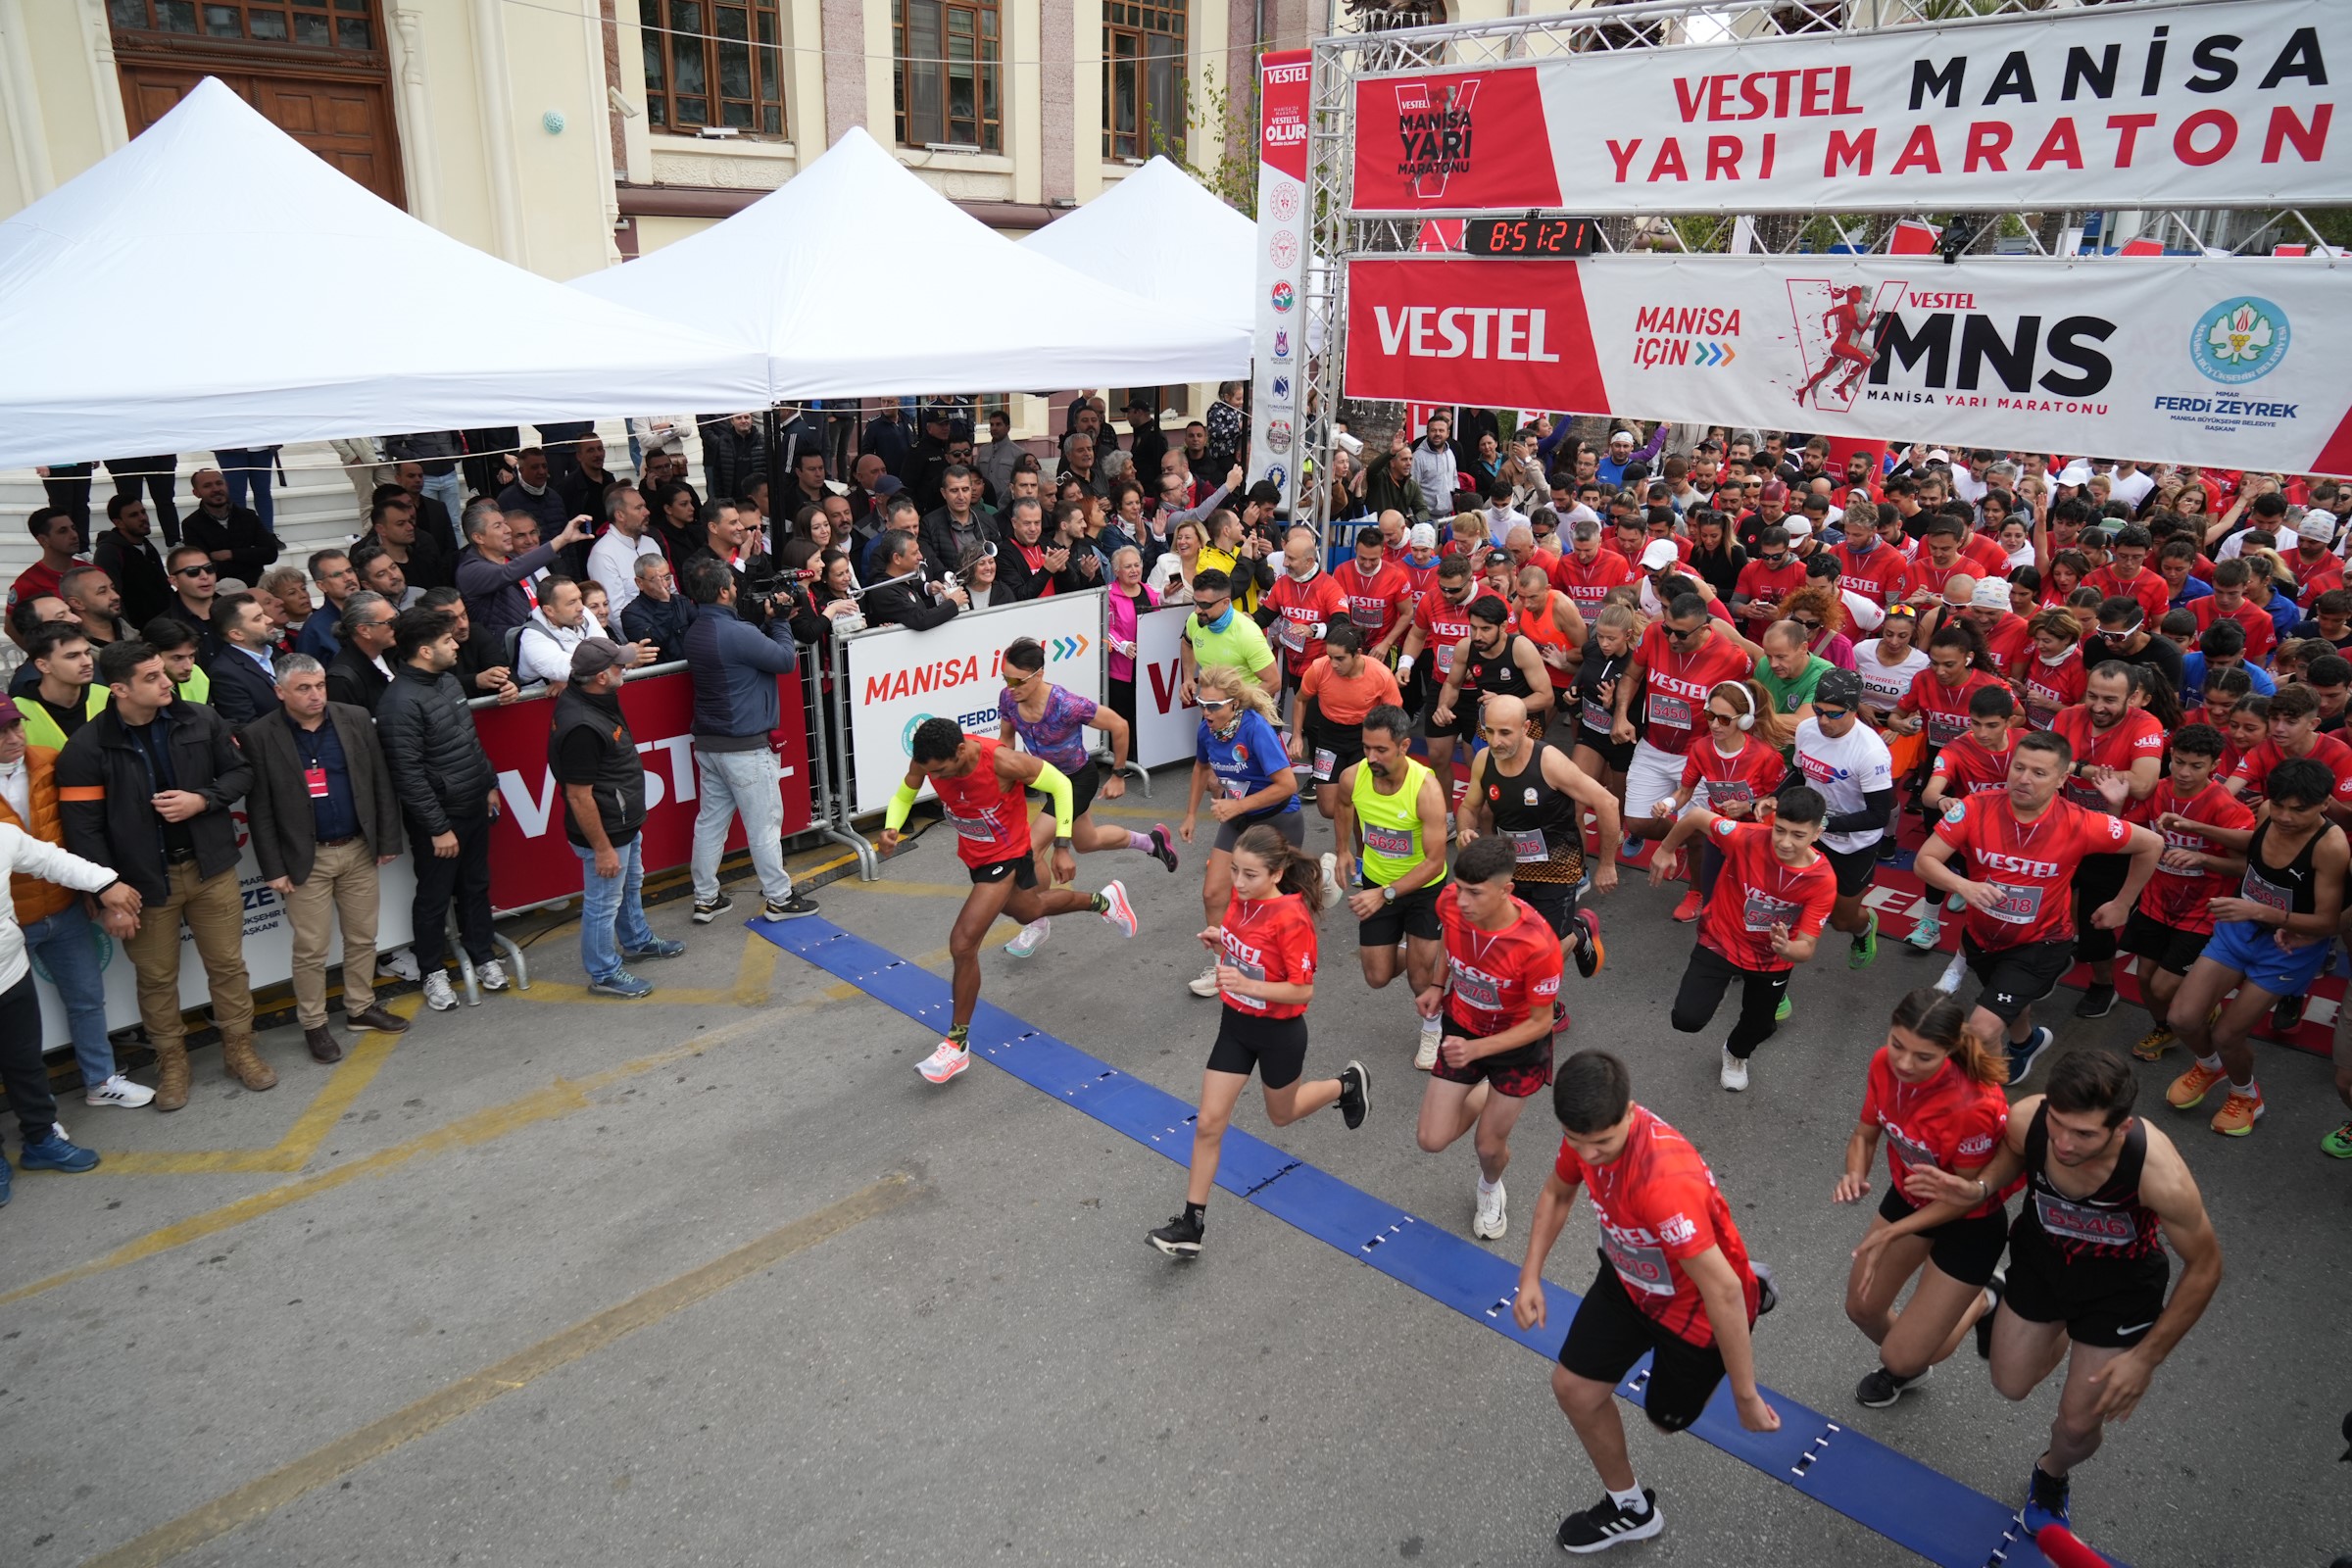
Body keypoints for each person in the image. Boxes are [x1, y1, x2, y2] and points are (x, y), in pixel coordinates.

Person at [1859, 1049, 2220, 1536]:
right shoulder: (2031, 1119)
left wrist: (2145, 1359)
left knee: (2076, 1425)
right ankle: (2000, 1300)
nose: (2065, 1144)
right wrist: (1982, 1186)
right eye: (2059, 1124)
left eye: (2084, 1134)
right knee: (2010, 1384)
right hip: (2042, 1264)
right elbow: (2011, 1154)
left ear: (2121, 1127)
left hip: (2119, 1290)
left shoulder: (2159, 1175)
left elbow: (2205, 1267)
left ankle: (2051, 1474)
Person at [1514, 1049, 1776, 1553]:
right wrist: (1530, 1277)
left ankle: (1753, 1290)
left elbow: (1717, 1291)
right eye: (1577, 1143)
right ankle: (1631, 1509)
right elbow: (1556, 1193)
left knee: (1663, 1420)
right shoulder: (1589, 1131)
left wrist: (1745, 1396)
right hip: (1629, 1278)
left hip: (1695, 1311)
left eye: (1603, 1144)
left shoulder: (1662, 1183)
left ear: (1630, 1113)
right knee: (1573, 1389)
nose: (1589, 1156)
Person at [58, 640, 267, 1106]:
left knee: (229, 966)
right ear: (119, 690)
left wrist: (202, 799)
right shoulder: (87, 748)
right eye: (151, 678)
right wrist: (109, 888)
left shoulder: (201, 718)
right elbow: (83, 831)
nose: (166, 682)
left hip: (210, 869)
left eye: (163, 673)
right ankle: (173, 1064)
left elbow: (241, 774)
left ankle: (240, 1050)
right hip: (142, 887)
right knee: (155, 981)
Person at [1146, 824, 1369, 1258]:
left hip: (1278, 1033)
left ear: (1277, 873)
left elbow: (1302, 991)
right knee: (1209, 1123)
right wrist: (1222, 940)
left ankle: (1345, 1084)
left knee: (1282, 1115)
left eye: (1250, 874)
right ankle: (1191, 1225)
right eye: (1234, 871)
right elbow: (1245, 950)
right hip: (1236, 1026)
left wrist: (1245, 980)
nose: (1239, 882)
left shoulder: (1292, 917)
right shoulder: (1239, 904)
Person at [880, 718, 1139, 1085]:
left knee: (963, 942)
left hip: (1006, 857)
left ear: (960, 752)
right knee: (1029, 911)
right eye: (930, 771)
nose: (938, 778)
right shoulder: (927, 760)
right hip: (976, 857)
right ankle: (1104, 901)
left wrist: (1062, 847)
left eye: (940, 771)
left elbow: (1063, 787)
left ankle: (956, 1047)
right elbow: (906, 793)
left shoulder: (1003, 762)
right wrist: (893, 825)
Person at [1913, 730, 2161, 1084]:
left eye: (2039, 773)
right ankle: (2025, 1042)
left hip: (2041, 941)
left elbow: (2152, 843)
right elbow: (1925, 861)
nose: (2024, 779)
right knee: (2009, 1004)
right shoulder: (1973, 806)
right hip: (1983, 935)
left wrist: (2123, 903)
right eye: (2018, 768)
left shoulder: (2080, 822)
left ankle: (1987, 1108)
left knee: (1982, 1029)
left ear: (2062, 780)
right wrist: (1963, 885)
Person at [1835, 990, 2011, 1408]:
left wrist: (1893, 1231)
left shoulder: (1974, 1105)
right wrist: (1855, 1173)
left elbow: (1962, 1197)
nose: (1904, 1064)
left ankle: (1987, 1298)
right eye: (1898, 1045)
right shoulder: (1883, 1062)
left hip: (1968, 1220)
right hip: (1912, 1196)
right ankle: (1912, 1348)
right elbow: (1865, 1134)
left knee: (1900, 1357)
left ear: (1950, 1050)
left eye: (1923, 1057)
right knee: (1861, 1307)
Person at [2161, 759, 2348, 1137]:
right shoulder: (2267, 811)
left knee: (2228, 1034)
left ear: (2324, 804)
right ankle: (2209, 1066)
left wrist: (2264, 910)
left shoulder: (2330, 845)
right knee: (2181, 1017)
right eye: (2278, 805)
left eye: (2299, 810)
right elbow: (2256, 847)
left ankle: (2245, 1094)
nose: (2285, 816)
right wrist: (2197, 830)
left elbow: (2328, 924)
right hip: (2242, 926)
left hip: (2289, 945)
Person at [241, 653, 410, 1062]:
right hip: (305, 859)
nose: (316, 695)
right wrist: (274, 869)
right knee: (311, 948)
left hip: (356, 848)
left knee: (362, 936)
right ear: (280, 692)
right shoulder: (260, 735)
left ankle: (360, 1007)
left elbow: (379, 781)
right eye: (303, 688)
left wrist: (387, 838)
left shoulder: (353, 717)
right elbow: (259, 808)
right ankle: (314, 1024)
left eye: (319, 685)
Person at [1411, 834, 1569, 1241]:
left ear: (1506, 891)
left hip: (1516, 1047)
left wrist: (1478, 1050)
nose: (1462, 901)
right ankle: (1486, 1088)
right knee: (1431, 1139)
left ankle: (1490, 1188)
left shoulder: (1537, 944)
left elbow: (1540, 1023)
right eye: (1460, 888)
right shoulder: (1451, 901)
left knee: (1488, 1145)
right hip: (1463, 1026)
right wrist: (1436, 984)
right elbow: (1450, 936)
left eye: (1475, 893)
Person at [0, 698, 152, 1108]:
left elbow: (76, 834)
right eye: (2, 732)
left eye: (17, 726)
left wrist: (92, 892)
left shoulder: (48, 761)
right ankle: (32, 1109)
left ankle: (100, 1081)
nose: (15, 737)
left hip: (64, 908)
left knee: (87, 999)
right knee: (13, 1024)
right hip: (10, 922)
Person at [994, 636, 1174, 957]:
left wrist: (1118, 775)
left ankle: (1037, 922)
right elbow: (1006, 741)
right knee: (1088, 841)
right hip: (1048, 781)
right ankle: (1151, 842)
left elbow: (1119, 726)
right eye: (1004, 678)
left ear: (1038, 675)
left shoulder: (1066, 703)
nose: (1010, 686)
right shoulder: (1009, 700)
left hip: (1077, 780)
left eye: (1015, 680)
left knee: (1031, 849)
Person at [1652, 788, 1837, 1090]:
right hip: (1721, 940)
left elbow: (1806, 948)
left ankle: (1736, 1053)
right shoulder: (1745, 836)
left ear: (1816, 833)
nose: (1786, 842)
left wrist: (1788, 948)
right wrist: (1666, 848)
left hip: (1771, 958)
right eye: (1780, 830)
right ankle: (1720, 985)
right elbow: (1697, 816)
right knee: (1686, 1019)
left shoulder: (1822, 880)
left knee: (1762, 1025)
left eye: (1798, 835)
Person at [0, 811, 142, 1195]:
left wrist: (105, 882)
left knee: (25, 1064)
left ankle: (41, 1140)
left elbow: (50, 859)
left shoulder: (3, 835)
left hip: (9, 973)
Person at [672, 555, 817, 925]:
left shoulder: (697, 630)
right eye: (734, 586)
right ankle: (779, 898)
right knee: (765, 825)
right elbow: (785, 660)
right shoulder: (736, 633)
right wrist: (782, 621)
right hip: (745, 746)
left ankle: (705, 899)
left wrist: (769, 622)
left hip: (710, 743)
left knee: (710, 823)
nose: (738, 590)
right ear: (723, 591)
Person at [377, 607, 508, 1012]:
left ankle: (483, 955)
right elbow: (408, 774)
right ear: (424, 651)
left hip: (473, 804)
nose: (456, 644)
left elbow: (469, 742)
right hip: (440, 821)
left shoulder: (449, 681)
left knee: (476, 885)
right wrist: (437, 828)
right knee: (434, 897)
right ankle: (433, 971)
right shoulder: (399, 702)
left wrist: (489, 784)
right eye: (447, 641)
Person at [551, 638, 687, 1000]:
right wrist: (603, 849)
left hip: (621, 823)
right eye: (618, 666)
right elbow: (578, 796)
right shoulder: (581, 724)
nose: (624, 669)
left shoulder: (595, 697)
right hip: (606, 832)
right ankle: (604, 973)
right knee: (602, 902)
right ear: (598, 677)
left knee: (629, 886)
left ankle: (638, 941)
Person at [1614, 592, 1761, 918]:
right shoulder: (1654, 634)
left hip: (1698, 756)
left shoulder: (1731, 656)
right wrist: (1621, 714)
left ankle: (1697, 890)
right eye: (1669, 629)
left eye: (1681, 633)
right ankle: (1692, 841)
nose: (1672, 638)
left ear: (1705, 628)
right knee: (1637, 822)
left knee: (1697, 833)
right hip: (1653, 746)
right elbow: (1631, 676)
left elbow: (1763, 679)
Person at [1458, 692, 1620, 982]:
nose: (1496, 741)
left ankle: (1576, 938)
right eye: (1490, 731)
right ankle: (1572, 939)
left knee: (1545, 955)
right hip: (1511, 868)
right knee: (1512, 943)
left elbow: (1607, 803)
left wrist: (1606, 864)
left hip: (1557, 869)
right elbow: (1469, 806)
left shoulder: (1549, 762)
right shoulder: (1484, 760)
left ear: (1525, 728)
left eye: (1505, 733)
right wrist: (1464, 830)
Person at [2118, 723, 2256, 1063]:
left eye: (2196, 765)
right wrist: (2113, 806)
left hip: (2202, 912)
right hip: (2155, 901)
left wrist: (2202, 857)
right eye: (2178, 761)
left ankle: (2200, 1010)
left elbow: (2246, 868)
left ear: (2214, 765)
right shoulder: (2157, 792)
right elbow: (2127, 836)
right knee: (2146, 978)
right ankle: (2164, 1028)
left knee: (2165, 986)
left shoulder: (2228, 808)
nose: (2183, 772)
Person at [1330, 706, 1453, 1068]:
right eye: (1367, 748)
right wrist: (1343, 851)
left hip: (1423, 889)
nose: (1371, 757)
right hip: (1377, 882)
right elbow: (1341, 806)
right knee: (1377, 976)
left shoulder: (1425, 788)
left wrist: (1384, 894)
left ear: (1403, 746)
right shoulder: (1354, 777)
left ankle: (1433, 1028)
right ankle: (1425, 952)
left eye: (1381, 750)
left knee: (1419, 978)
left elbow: (1434, 860)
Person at [2050, 662, 2170, 1017]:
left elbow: (2144, 783)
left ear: (2132, 698)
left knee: (2097, 918)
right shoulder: (2068, 717)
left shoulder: (2146, 724)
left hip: (2115, 833)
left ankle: (2103, 984)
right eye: (2092, 696)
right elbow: (2046, 759)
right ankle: (2053, 956)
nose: (2099, 707)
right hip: (2067, 826)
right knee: (2048, 899)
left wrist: (2076, 767)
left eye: (2110, 700)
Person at [1178, 668, 1305, 996]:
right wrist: (1191, 814)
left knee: (1280, 905)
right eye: (1202, 704)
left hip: (1278, 819)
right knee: (1213, 893)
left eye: (1214, 706)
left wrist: (1237, 805)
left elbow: (1288, 785)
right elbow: (1200, 768)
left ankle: (1321, 878)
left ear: (1233, 704)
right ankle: (1224, 968)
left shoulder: (1255, 729)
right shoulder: (1207, 730)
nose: (1206, 712)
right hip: (1239, 820)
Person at [1789, 668, 1896, 967]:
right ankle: (1766, 970)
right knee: (1788, 901)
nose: (1823, 721)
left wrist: (1825, 824)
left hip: (1853, 846)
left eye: (1834, 715)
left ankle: (1863, 927)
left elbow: (1878, 815)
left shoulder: (1870, 751)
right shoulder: (1807, 729)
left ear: (1853, 709)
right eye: (1819, 710)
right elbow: (1799, 773)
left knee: (1840, 920)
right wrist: (1774, 797)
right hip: (1812, 835)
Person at [1288, 620, 1401, 867]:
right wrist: (1297, 735)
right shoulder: (1319, 669)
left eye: (1340, 658)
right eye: (1330, 657)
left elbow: (1395, 718)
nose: (1334, 664)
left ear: (1358, 654)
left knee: (1358, 802)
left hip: (1364, 739)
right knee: (1329, 808)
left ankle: (1359, 856)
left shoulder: (1380, 674)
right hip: (1329, 737)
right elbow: (1300, 700)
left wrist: (1389, 754)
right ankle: (1347, 847)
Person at [456, 501, 592, 646]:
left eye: (505, 523)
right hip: (508, 655)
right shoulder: (470, 570)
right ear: (478, 537)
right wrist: (562, 539)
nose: (507, 530)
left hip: (545, 640)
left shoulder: (513, 559)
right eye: (498, 526)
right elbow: (507, 573)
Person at [181, 466, 280, 587]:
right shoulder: (191, 525)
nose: (216, 489)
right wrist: (250, 556)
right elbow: (205, 567)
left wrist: (231, 554)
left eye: (219, 483)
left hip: (256, 587)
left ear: (226, 485)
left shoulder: (248, 516)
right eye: (207, 486)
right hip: (220, 591)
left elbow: (270, 554)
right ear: (196, 493)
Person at [204, 592, 284, 728]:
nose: (269, 620)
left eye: (263, 613)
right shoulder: (225, 674)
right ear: (237, 634)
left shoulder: (274, 651)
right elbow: (249, 729)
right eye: (258, 618)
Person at [18, 624, 95, 754]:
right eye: (72, 656)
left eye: (87, 653)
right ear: (43, 666)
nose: (87, 662)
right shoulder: (17, 712)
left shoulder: (109, 696)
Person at [323, 592, 398, 712]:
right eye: (390, 623)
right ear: (364, 630)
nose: (397, 626)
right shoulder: (342, 681)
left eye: (397, 618)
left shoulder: (389, 653)